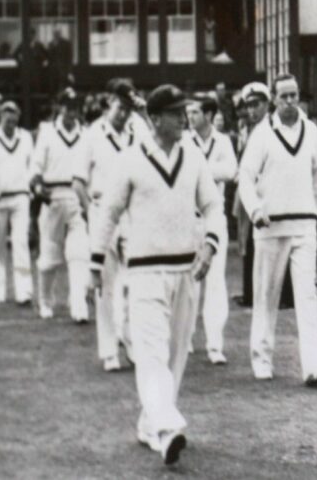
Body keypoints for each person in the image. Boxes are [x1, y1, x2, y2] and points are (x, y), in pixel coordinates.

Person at [89, 84, 223, 466]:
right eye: (177, 112)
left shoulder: (194, 157)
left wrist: (210, 245)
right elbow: (108, 214)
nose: (185, 118)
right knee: (151, 352)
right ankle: (167, 429)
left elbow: (213, 206)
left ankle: (153, 424)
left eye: (186, 111)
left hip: (186, 272)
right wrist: (96, 263)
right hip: (145, 273)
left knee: (177, 354)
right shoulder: (129, 160)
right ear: (155, 119)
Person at [237, 74, 317, 383]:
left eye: (295, 96)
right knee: (266, 297)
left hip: (304, 224)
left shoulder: (312, 131)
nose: (291, 102)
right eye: (284, 97)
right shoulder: (261, 135)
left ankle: (315, 365)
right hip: (269, 228)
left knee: (308, 297)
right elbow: (245, 178)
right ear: (274, 101)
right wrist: (255, 210)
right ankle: (262, 359)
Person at [75, 79, 143, 371]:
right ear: (107, 105)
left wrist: (141, 111)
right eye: (119, 107)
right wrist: (90, 210)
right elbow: (78, 181)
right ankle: (109, 350)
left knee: (134, 282)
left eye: (128, 108)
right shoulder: (91, 136)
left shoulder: (136, 130)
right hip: (102, 211)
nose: (123, 114)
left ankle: (130, 341)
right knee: (104, 283)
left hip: (132, 213)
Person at [184, 97, 238, 364]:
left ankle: (214, 345)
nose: (189, 116)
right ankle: (185, 338)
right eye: (188, 112)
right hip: (186, 220)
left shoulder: (223, 141)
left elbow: (231, 171)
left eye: (194, 112)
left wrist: (200, 171)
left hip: (214, 218)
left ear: (208, 114)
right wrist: (207, 172)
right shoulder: (184, 140)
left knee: (215, 282)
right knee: (187, 281)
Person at [29, 89, 89, 322]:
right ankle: (45, 301)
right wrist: (36, 185)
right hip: (52, 196)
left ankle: (78, 305)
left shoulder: (85, 134)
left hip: (77, 196)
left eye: (74, 107)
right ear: (59, 107)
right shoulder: (47, 133)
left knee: (79, 253)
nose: (71, 111)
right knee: (49, 255)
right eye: (67, 106)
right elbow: (35, 166)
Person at [0, 101, 34, 306]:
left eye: (14, 120)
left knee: (21, 243)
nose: (10, 124)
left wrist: (28, 184)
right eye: (7, 120)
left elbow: (32, 164)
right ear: (0, 118)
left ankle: (24, 292)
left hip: (20, 196)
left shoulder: (26, 138)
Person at [232, 82, 270, 308]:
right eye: (249, 105)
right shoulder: (250, 129)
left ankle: (256, 294)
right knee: (246, 243)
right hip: (248, 193)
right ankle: (249, 292)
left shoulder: (268, 129)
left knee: (257, 245)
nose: (252, 110)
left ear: (266, 104)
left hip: (263, 194)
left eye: (256, 104)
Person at [47, 29, 73, 93]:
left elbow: (69, 57)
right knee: (52, 86)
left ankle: (60, 100)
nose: (56, 35)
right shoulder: (51, 44)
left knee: (61, 86)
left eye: (57, 33)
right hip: (52, 70)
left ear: (60, 34)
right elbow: (49, 56)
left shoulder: (66, 43)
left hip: (62, 70)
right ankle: (53, 101)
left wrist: (69, 71)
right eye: (55, 34)